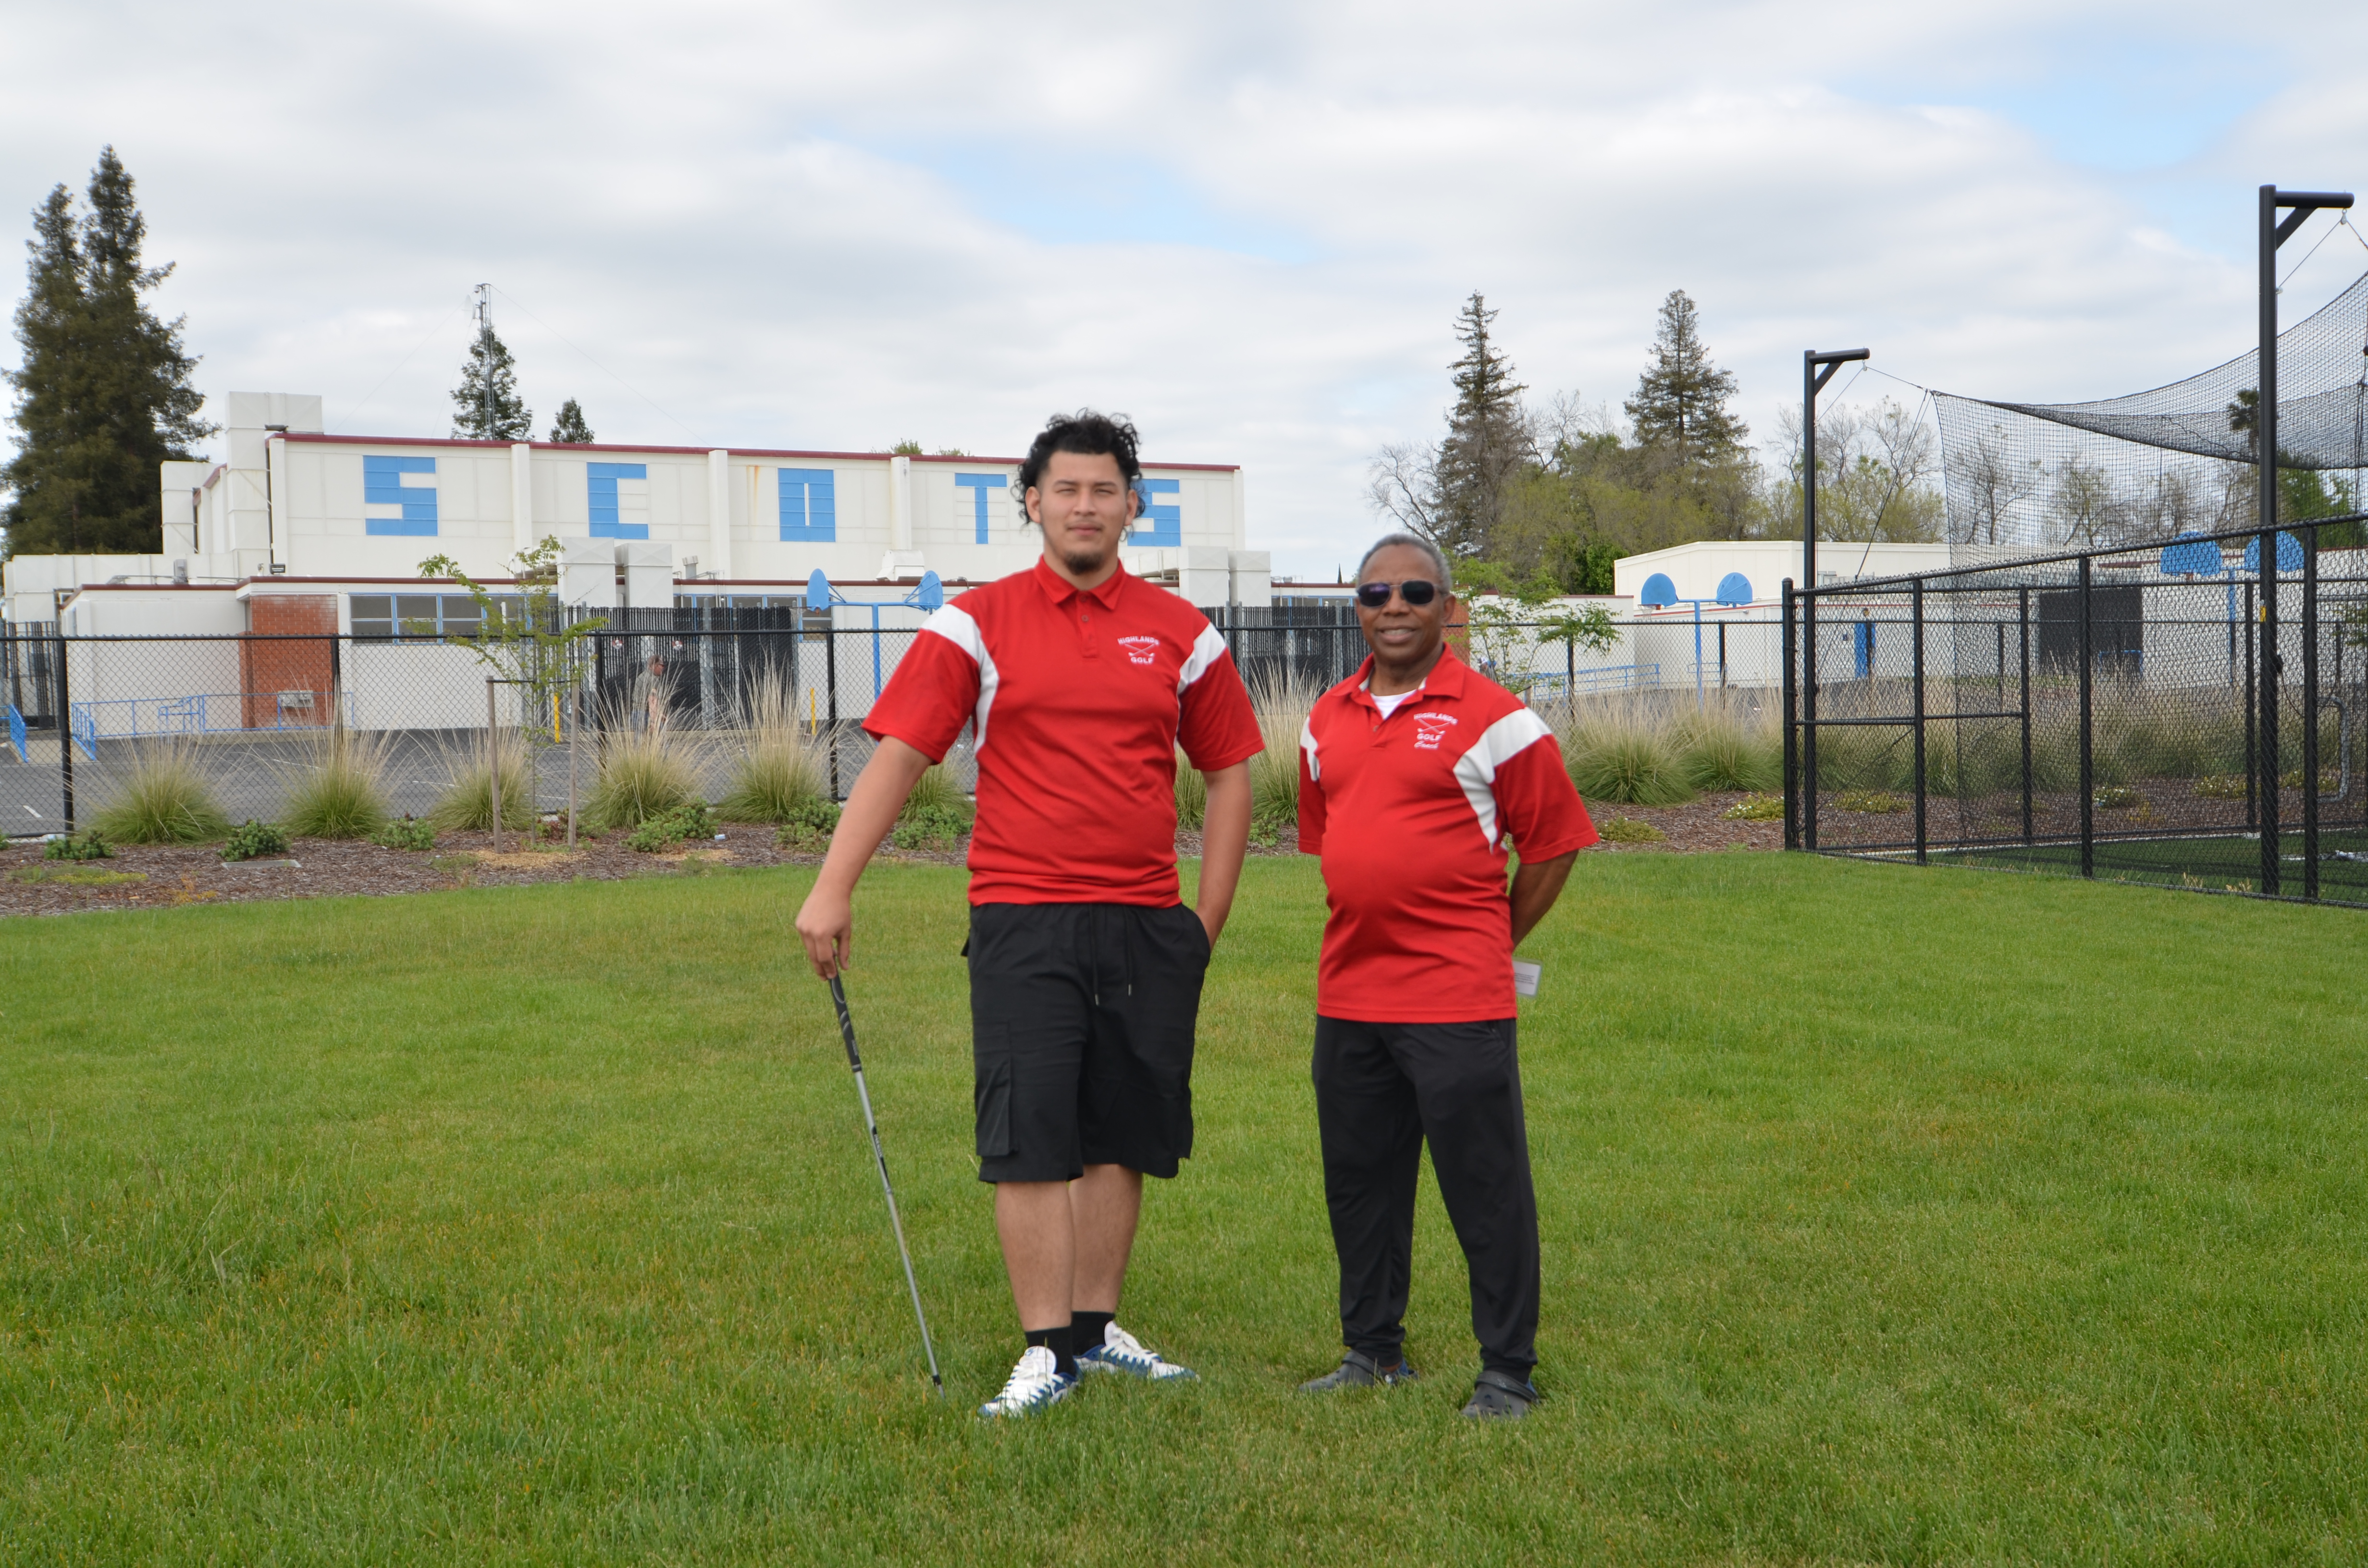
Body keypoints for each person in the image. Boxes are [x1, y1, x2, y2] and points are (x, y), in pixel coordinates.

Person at [794, 410, 1262, 1420]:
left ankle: (1095, 1332)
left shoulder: (1182, 631)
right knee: (1029, 1132)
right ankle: (1044, 1349)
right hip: (1022, 917)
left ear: (1132, 504)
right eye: (1066, 489)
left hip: (1143, 922)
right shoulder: (976, 620)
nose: (1085, 506)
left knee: (1119, 1135)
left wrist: (1203, 922)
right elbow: (901, 756)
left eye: (1104, 489)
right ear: (1033, 503)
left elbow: (1230, 775)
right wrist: (833, 886)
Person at [1293, 532, 1596, 1420]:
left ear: (1448, 608)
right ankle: (1372, 1352)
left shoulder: (1498, 718)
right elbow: (1335, 840)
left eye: (1416, 593)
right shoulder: (1325, 718)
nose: (1394, 607)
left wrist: (1488, 933)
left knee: (1486, 1186)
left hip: (1457, 1000)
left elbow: (1555, 845)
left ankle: (1507, 1371)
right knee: (1360, 1184)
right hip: (1349, 997)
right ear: (1357, 607)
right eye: (1376, 593)